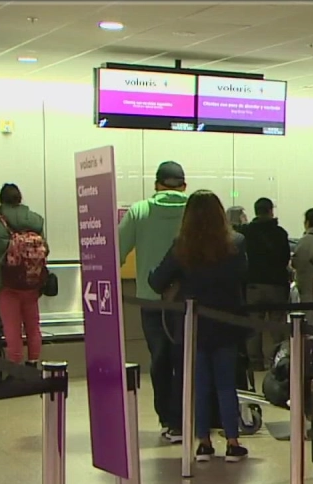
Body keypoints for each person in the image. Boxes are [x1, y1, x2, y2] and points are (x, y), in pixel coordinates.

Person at [148, 190, 250, 463]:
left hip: (192, 325)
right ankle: (232, 440)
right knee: (226, 385)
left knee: (199, 385)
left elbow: (157, 281)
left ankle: (203, 442)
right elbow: (243, 278)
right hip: (226, 323)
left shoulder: (182, 245)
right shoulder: (237, 243)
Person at [118, 161, 189, 443]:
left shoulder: (140, 211)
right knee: (187, 357)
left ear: (157, 185)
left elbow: (116, 250)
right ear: (184, 186)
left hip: (151, 300)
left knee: (160, 359)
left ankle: (170, 421)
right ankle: (190, 415)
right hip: (191, 300)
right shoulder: (194, 210)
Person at [0, 183, 46, 364]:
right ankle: (33, 364)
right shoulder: (36, 220)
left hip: (7, 282)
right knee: (33, 326)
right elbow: (45, 248)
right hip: (31, 281)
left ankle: (16, 369)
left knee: (12, 328)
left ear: (1, 200)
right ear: (20, 198)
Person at [240, 197, 293, 370]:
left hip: (254, 284)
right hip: (277, 285)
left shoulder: (246, 233)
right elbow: (285, 258)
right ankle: (275, 363)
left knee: (254, 325)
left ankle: (254, 363)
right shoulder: (280, 233)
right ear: (271, 211)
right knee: (276, 325)